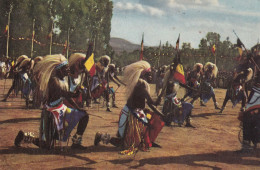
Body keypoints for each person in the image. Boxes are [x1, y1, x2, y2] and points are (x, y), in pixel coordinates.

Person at [14, 54, 89, 149]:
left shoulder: (63, 80)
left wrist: (77, 107)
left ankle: (76, 142)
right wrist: (76, 93)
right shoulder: (54, 81)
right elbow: (66, 94)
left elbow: (67, 97)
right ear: (59, 69)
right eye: (66, 68)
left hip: (61, 110)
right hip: (50, 113)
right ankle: (25, 137)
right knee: (47, 145)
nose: (68, 70)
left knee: (84, 115)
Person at [94, 60, 164, 154]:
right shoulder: (141, 85)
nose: (151, 77)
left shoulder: (141, 84)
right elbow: (152, 102)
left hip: (135, 114)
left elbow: (150, 103)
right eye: (149, 74)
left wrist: (159, 113)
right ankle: (101, 136)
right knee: (124, 144)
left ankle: (144, 141)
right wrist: (158, 100)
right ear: (143, 75)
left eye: (151, 74)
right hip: (131, 115)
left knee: (129, 139)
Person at [158, 62, 194, 127]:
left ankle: (188, 122)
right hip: (169, 100)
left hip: (175, 99)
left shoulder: (176, 80)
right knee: (174, 112)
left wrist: (191, 88)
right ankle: (176, 120)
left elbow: (182, 84)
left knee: (189, 106)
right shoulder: (169, 82)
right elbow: (165, 91)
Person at [238, 51, 260, 152]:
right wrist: (251, 57)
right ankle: (248, 144)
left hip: (258, 91)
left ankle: (249, 144)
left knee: (248, 115)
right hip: (257, 90)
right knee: (248, 115)